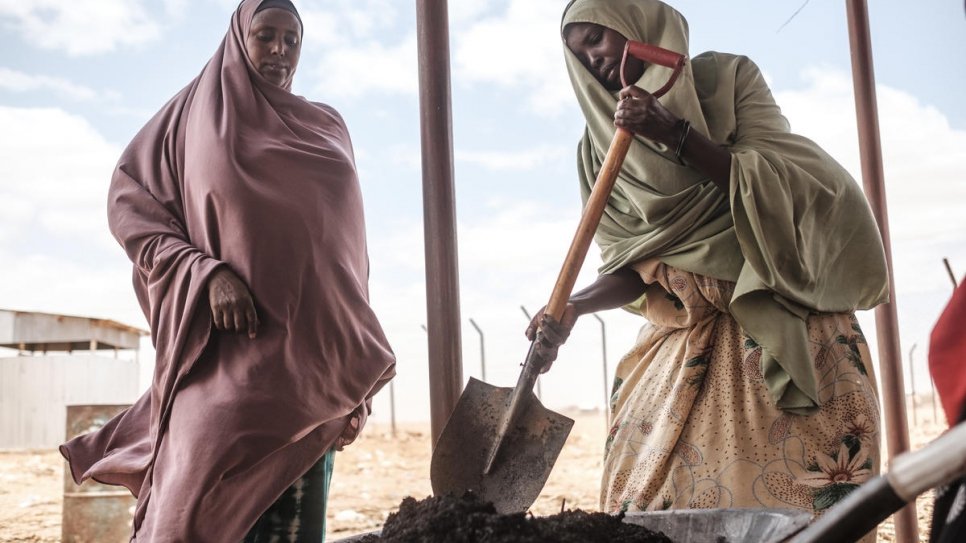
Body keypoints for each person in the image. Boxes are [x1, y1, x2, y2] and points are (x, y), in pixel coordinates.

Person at [527, 0, 888, 536]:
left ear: (636, 25)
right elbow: (639, 264)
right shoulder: (594, 151)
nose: (593, 60)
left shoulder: (728, 81)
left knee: (805, 514)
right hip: (681, 345)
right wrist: (574, 306)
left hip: (783, 324)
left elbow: (787, 187)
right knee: (644, 512)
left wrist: (673, 132)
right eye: (577, 52)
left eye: (597, 38)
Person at [59, 1, 396, 541]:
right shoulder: (194, 118)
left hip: (314, 370)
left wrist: (351, 348)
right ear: (240, 38)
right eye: (266, 35)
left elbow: (346, 251)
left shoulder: (327, 125)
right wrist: (203, 272)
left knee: (296, 530)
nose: (280, 51)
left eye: (292, 40)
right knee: (190, 519)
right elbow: (131, 204)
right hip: (229, 370)